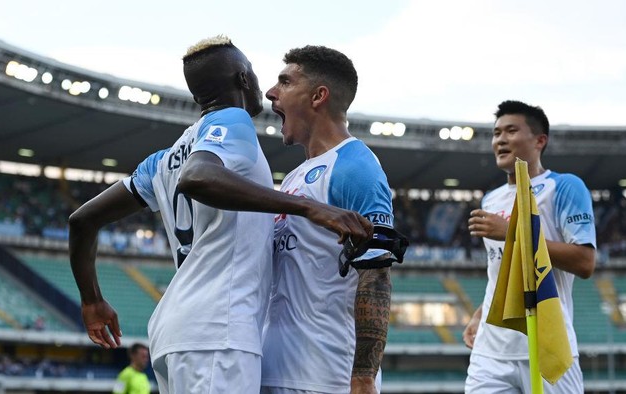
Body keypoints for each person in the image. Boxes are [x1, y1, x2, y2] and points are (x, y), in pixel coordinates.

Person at [68, 36, 372, 393]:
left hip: (173, 330)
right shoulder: (233, 119)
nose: (271, 90)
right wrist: (310, 206)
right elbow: (198, 177)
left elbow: (82, 220)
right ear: (244, 79)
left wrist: (91, 300)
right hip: (218, 329)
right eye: (260, 76)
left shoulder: (162, 160)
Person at [261, 45, 400, 394]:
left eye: (285, 82)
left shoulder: (355, 167)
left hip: (325, 377)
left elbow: (377, 276)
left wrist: (364, 376)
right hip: (276, 368)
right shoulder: (293, 178)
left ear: (318, 96)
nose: (271, 92)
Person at [463, 100, 596, 393]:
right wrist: (479, 313)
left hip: (547, 345)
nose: (500, 139)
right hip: (491, 352)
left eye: (511, 131)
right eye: (496, 133)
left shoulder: (563, 187)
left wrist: (512, 231)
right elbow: (502, 269)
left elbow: (585, 262)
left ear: (540, 140)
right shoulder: (491, 199)